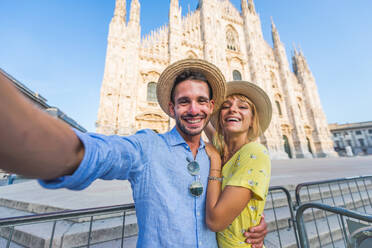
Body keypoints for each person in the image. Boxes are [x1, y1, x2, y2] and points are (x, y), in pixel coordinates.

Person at [0, 59, 267, 247]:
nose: (193, 110)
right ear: (171, 108)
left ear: (210, 107)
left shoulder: (218, 156)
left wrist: (253, 224)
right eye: (184, 101)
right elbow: (101, 153)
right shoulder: (148, 147)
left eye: (201, 101)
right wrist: (31, 138)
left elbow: (233, 205)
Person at [204, 81, 272, 247]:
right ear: (220, 118)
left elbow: (215, 222)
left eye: (242, 107)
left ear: (252, 121)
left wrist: (214, 162)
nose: (233, 109)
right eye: (226, 106)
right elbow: (204, 121)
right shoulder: (223, 149)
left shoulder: (254, 152)